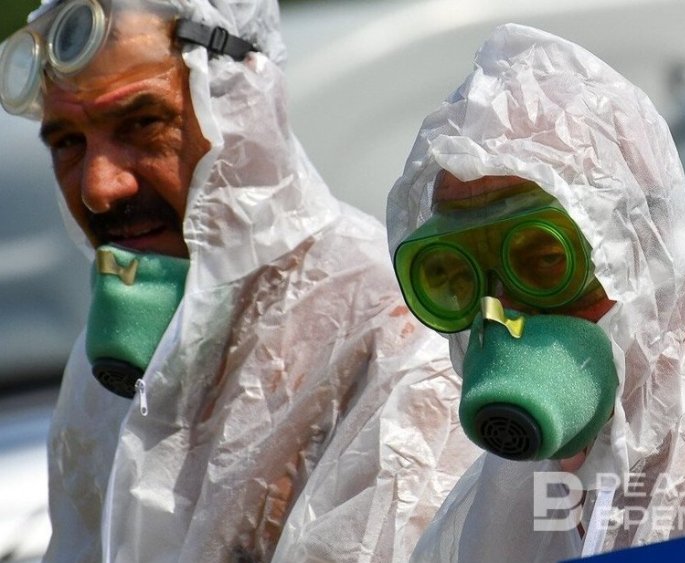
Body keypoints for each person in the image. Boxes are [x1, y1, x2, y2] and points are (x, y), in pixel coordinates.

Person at [0, 0, 481, 561]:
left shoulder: (393, 335)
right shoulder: (102, 370)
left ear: (241, 103)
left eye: (143, 123)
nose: (99, 188)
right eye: (68, 142)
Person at [386, 23, 685, 561]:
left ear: (644, 255)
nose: (502, 313)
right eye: (457, 276)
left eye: (544, 262)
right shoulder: (503, 498)